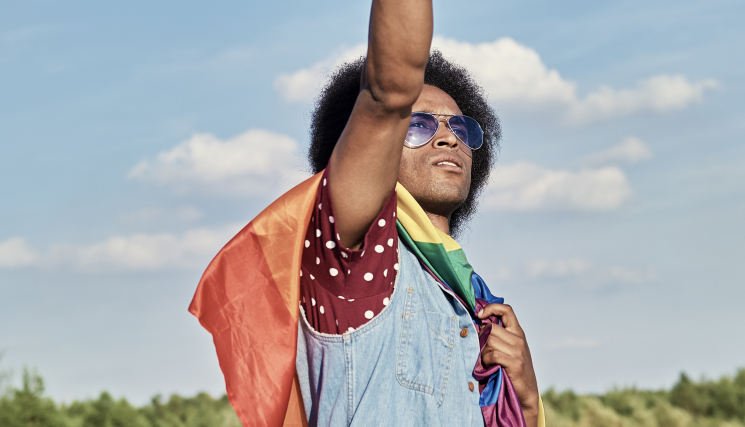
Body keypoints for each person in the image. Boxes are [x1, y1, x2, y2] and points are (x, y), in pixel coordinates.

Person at [189, 0, 539, 425]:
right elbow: (387, 93)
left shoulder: (475, 303)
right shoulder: (354, 256)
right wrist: (390, 105)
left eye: (459, 127)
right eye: (420, 124)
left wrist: (529, 399)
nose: (448, 138)